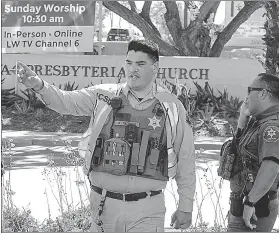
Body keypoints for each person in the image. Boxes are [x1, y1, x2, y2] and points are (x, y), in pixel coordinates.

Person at [16, 39, 196, 232]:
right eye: (129, 62)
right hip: (103, 206)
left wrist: (185, 206)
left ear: (155, 68)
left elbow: (185, 158)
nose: (132, 69)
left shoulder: (172, 106)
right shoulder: (104, 96)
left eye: (140, 64)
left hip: (148, 208)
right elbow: (66, 102)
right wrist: (39, 85)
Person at [219, 73, 279, 232]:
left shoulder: (271, 126)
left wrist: (250, 202)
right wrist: (242, 122)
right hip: (243, 204)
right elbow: (235, 155)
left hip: (255, 208)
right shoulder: (257, 123)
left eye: (250, 90)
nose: (246, 97)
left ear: (263, 93)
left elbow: (271, 166)